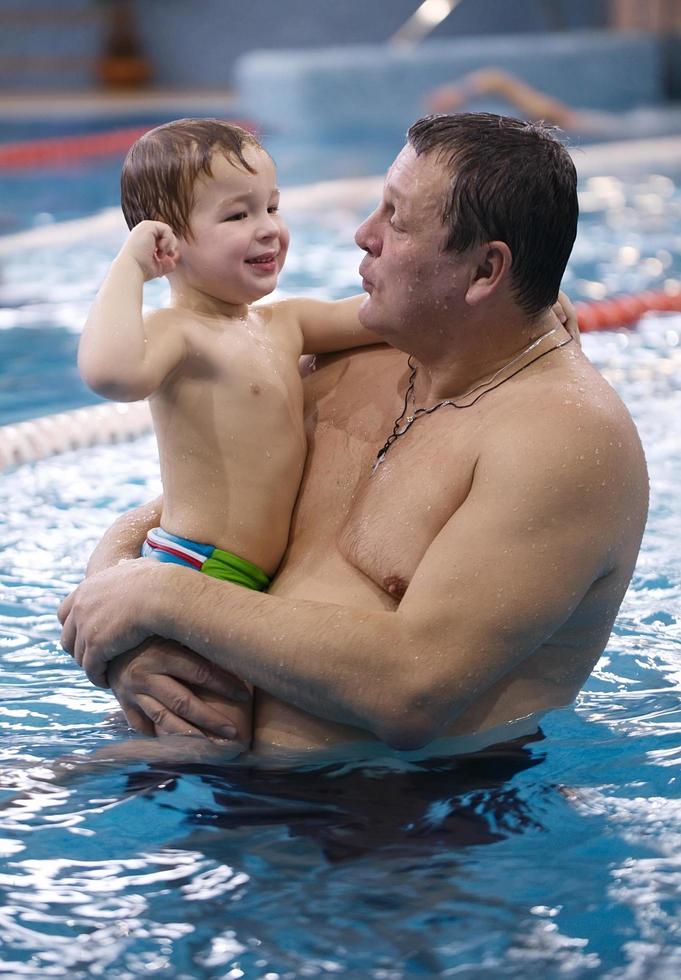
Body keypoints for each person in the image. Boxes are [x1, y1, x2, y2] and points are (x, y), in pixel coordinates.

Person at [59, 112, 648, 765]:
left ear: (485, 271)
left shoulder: (559, 439)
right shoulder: (350, 365)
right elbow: (197, 512)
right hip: (210, 778)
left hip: (399, 826)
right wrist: (125, 629)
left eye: (395, 218)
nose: (360, 235)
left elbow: (411, 691)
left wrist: (165, 599)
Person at [77, 117, 379, 756]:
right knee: (211, 740)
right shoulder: (180, 333)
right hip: (198, 570)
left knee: (202, 736)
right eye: (237, 216)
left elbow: (384, 315)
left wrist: (527, 303)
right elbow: (109, 372)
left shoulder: (285, 324)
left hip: (235, 577)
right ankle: (59, 778)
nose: (268, 226)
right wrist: (130, 268)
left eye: (271, 205)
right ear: (169, 243)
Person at [426, 68, 620, 134]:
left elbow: (497, 79)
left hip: (604, 127)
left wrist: (461, 91)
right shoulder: (528, 122)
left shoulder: (545, 114)